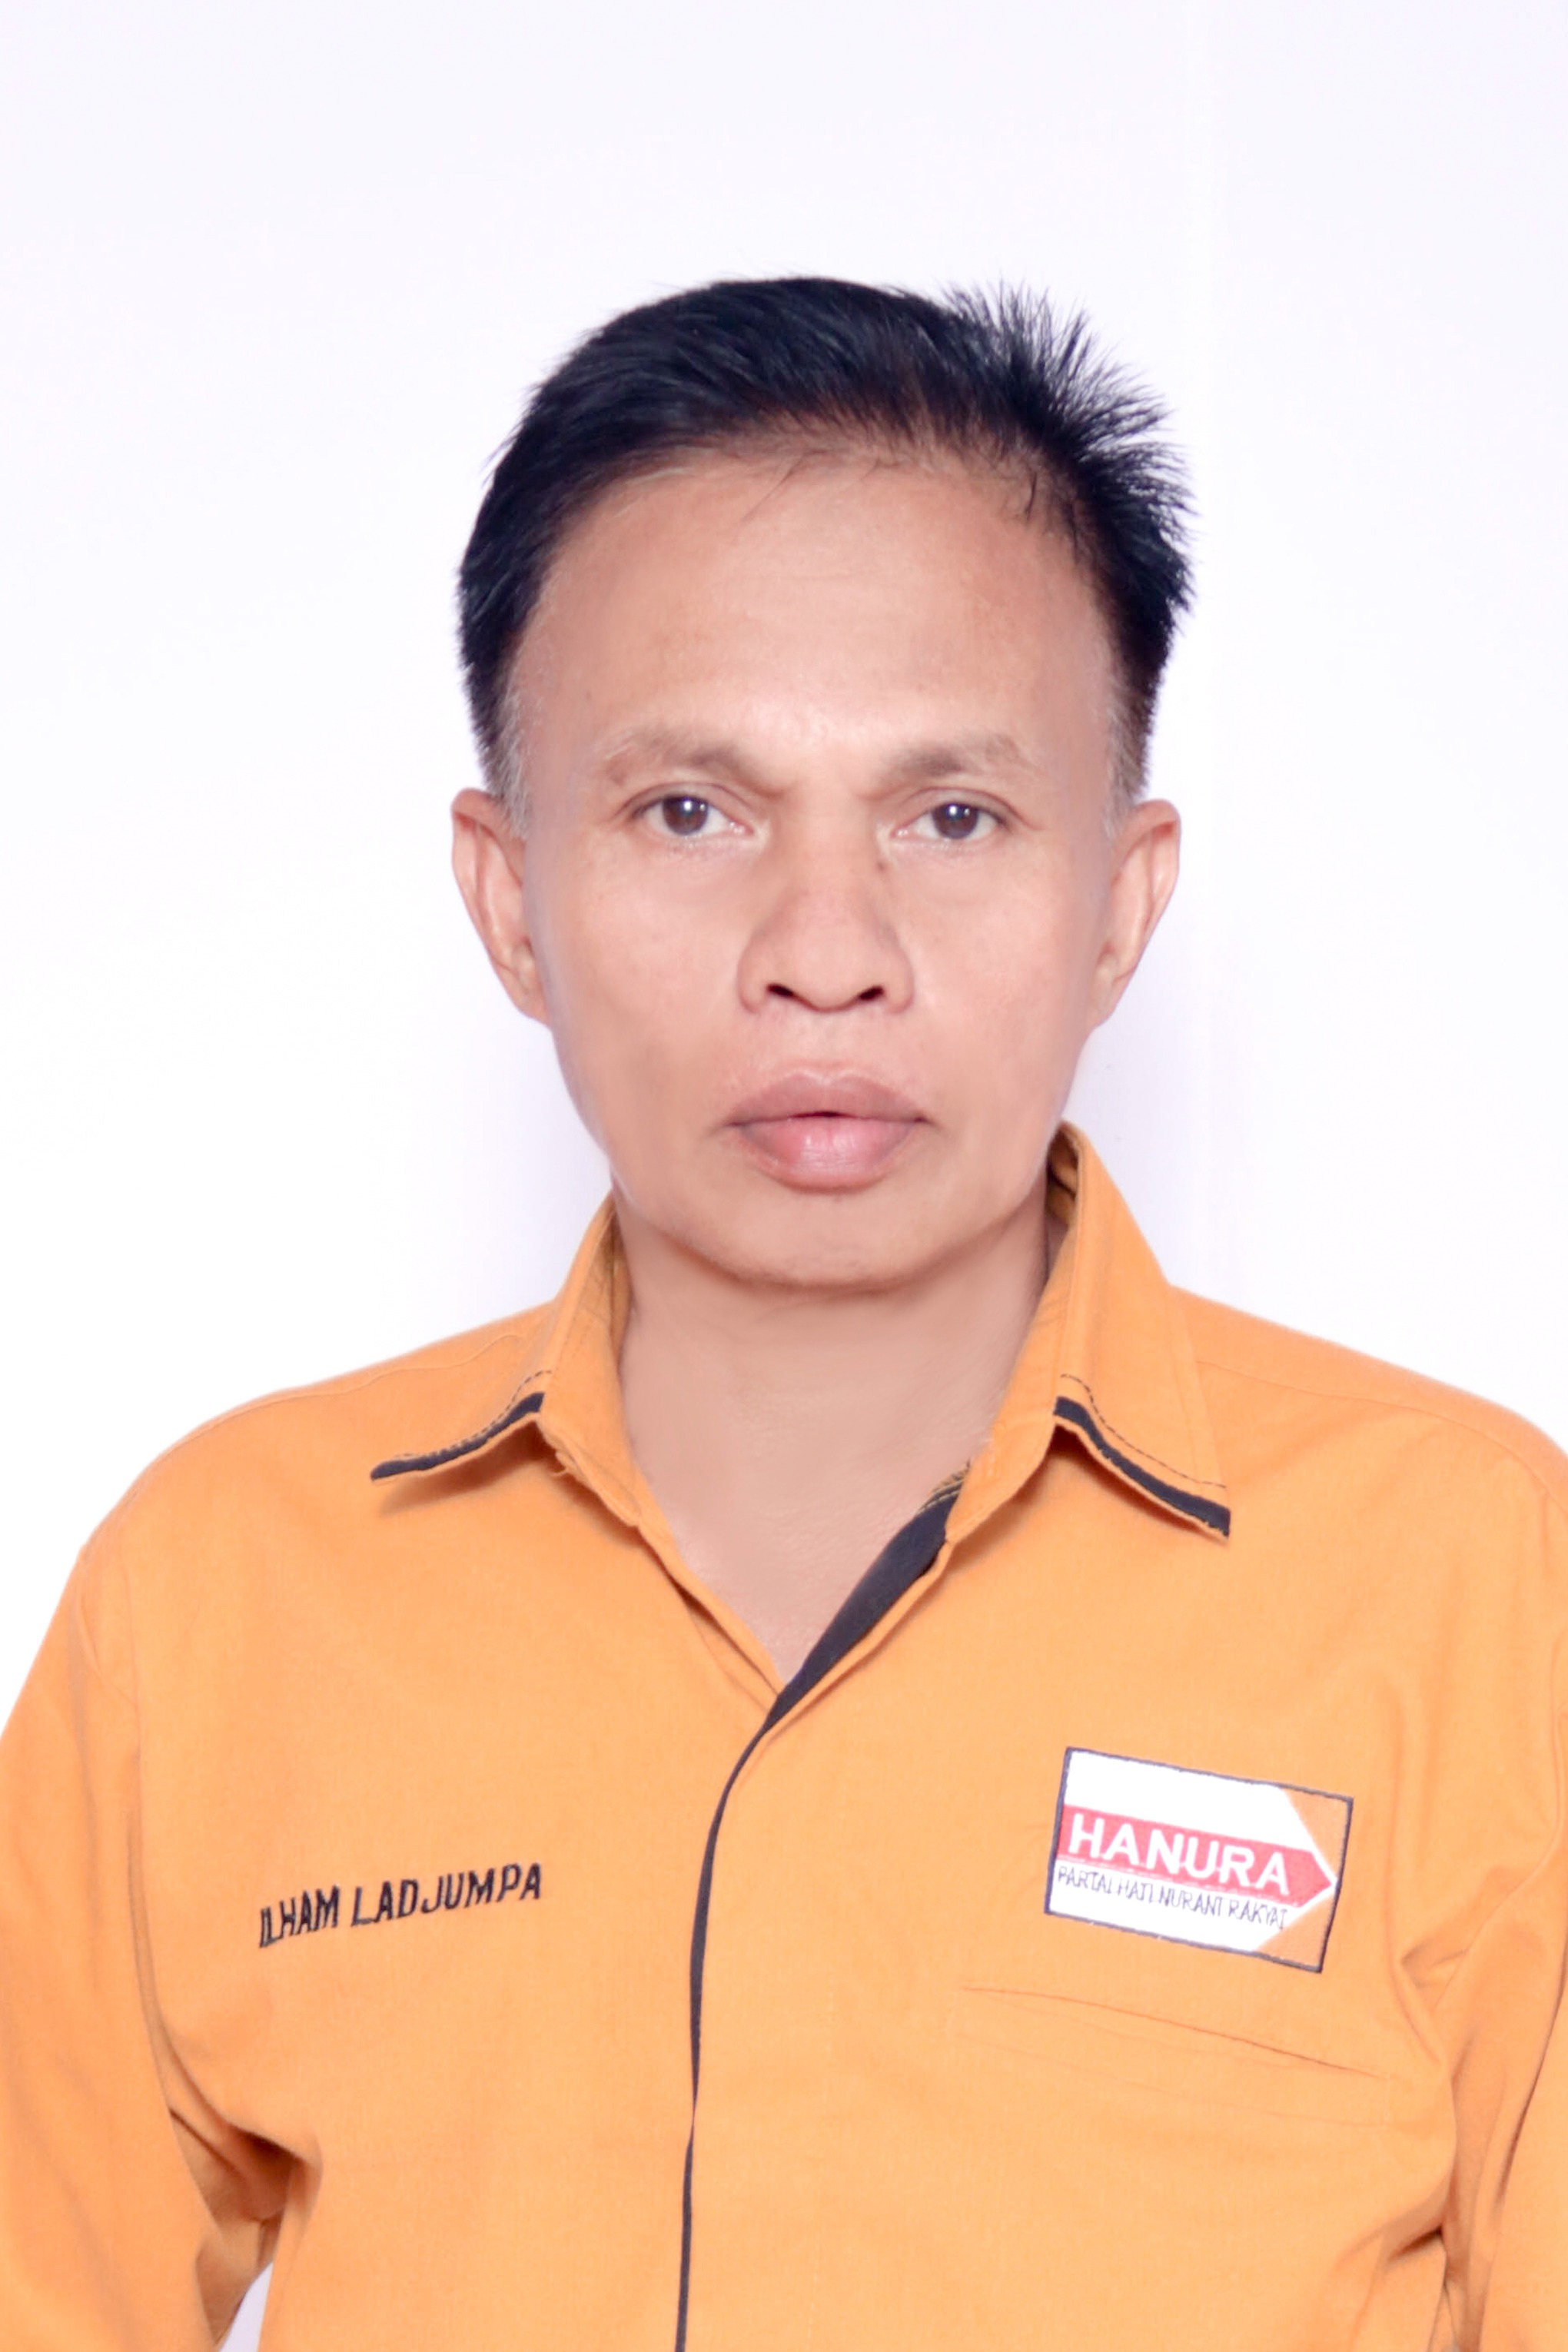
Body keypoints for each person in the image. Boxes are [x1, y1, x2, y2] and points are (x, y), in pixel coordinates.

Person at [1, 277, 1563, 2352]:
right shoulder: (221, 1590)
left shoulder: (1477, 1586)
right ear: (510, 899)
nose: (827, 951)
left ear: (1118, 902)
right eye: (690, 812)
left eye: (952, 816)